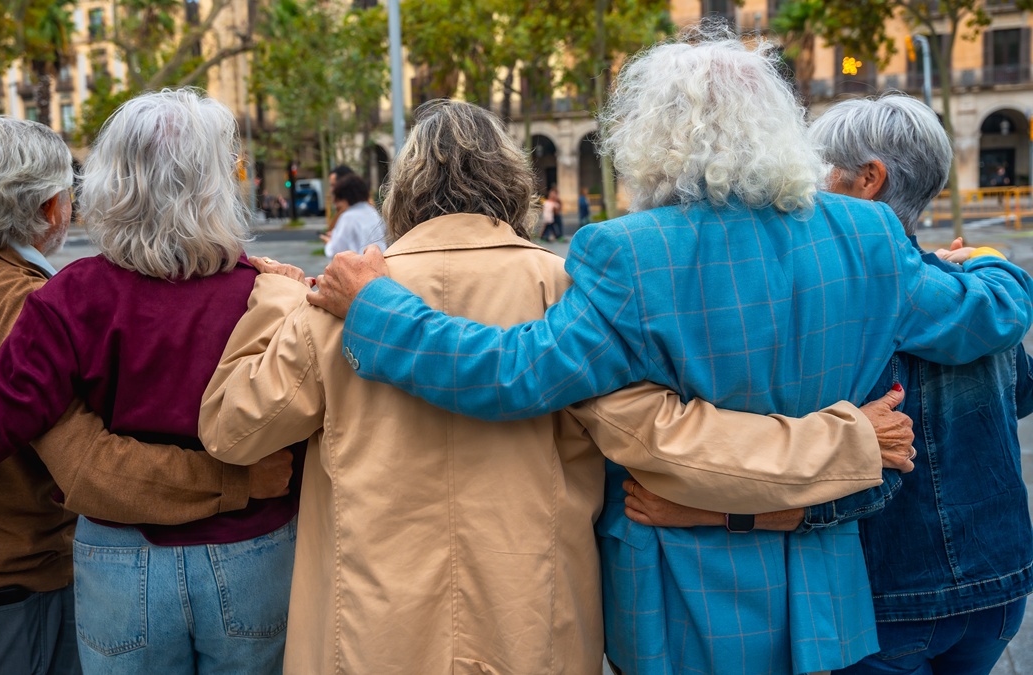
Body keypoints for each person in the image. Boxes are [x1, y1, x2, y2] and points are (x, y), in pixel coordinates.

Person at [305, 36, 1033, 675]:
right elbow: (976, 320)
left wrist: (377, 307)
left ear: (647, 138)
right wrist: (991, 263)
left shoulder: (628, 254)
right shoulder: (868, 234)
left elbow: (511, 374)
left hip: (682, 594)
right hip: (824, 592)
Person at [197, 99, 917, 674]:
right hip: (530, 626)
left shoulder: (341, 295)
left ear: (401, 191)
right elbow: (664, 438)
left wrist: (276, 298)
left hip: (369, 633)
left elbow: (232, 428)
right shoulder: (567, 290)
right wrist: (848, 438)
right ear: (515, 185)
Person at [0, 117, 285, 675]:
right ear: (53, 208)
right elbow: (92, 469)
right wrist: (241, 481)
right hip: (12, 595)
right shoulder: (28, 303)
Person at [619, 94, 1033, 675]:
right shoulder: (973, 292)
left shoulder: (844, 307)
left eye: (821, 171)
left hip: (886, 603)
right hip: (1000, 590)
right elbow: (1020, 394)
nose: (804, 189)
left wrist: (708, 514)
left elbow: (849, 485)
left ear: (868, 179)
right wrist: (989, 262)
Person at [320, 174, 386, 256]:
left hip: (360, 264)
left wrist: (329, 243)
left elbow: (336, 250)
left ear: (344, 197)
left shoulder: (348, 217)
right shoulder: (372, 211)